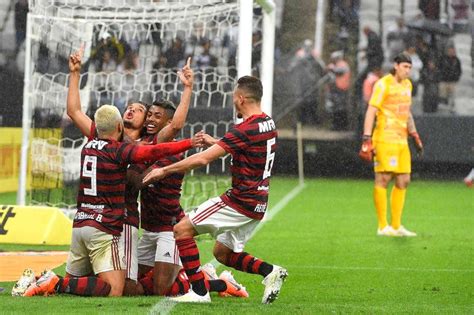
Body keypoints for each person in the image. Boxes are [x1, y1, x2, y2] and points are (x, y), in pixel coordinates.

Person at [22, 104, 200, 297]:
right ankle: (54, 282)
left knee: (87, 283)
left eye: (140, 110)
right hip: (108, 224)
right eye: (131, 108)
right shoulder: (121, 150)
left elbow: (74, 111)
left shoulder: (90, 145)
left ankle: (39, 280)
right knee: (118, 289)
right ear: (118, 126)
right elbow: (150, 153)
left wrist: (74, 74)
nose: (133, 112)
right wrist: (190, 143)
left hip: (84, 221)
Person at [142, 76, 288, 304]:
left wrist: (164, 170)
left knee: (181, 230)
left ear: (240, 98)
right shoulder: (267, 123)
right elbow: (245, 147)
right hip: (258, 202)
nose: (233, 102)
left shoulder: (246, 128)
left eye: (233, 98)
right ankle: (271, 271)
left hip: (240, 201)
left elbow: (202, 160)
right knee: (223, 253)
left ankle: (200, 292)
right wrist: (217, 142)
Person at [359, 53, 424, 237]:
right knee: (383, 179)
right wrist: (366, 138)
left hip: (402, 140)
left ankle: (396, 226)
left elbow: (407, 111)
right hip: (384, 137)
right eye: (405, 66)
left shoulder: (407, 85)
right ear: (396, 66)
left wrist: (414, 134)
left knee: (404, 180)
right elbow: (371, 110)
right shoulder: (383, 84)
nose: (408, 71)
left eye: (410, 68)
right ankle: (382, 226)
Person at [439, 46, 462, 113]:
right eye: (450, 51)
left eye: (453, 51)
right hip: (444, 81)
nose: (451, 52)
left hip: (453, 81)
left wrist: (456, 77)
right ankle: (443, 108)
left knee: (452, 96)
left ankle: (452, 108)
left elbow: (459, 70)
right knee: (443, 95)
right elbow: (440, 68)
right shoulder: (443, 59)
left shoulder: (457, 60)